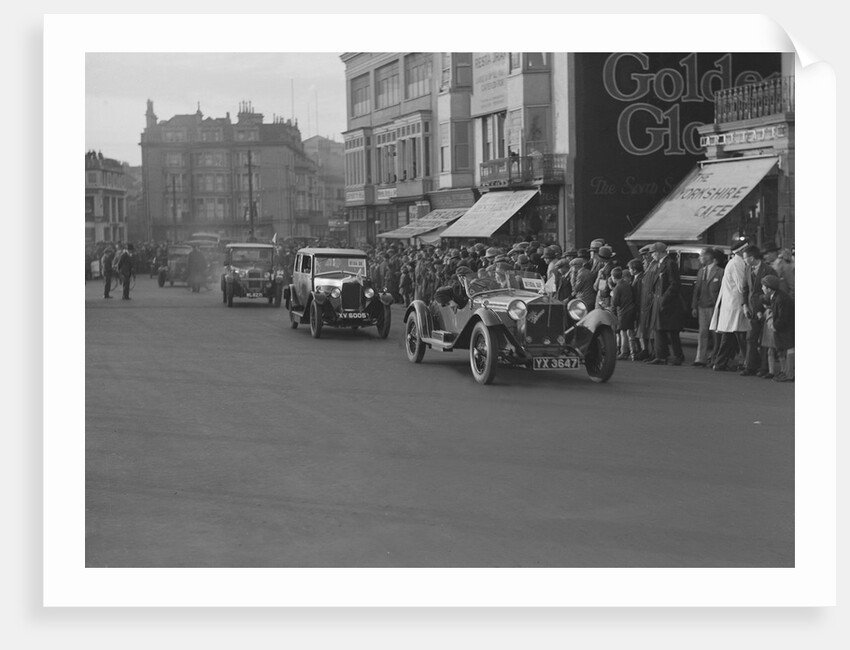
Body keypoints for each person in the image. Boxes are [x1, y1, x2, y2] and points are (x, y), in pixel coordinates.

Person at [710, 241, 751, 371]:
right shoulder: (738, 264)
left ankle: (721, 362)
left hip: (732, 304)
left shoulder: (734, 262)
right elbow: (741, 285)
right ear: (741, 251)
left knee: (731, 336)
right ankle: (747, 362)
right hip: (736, 303)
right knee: (740, 335)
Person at [740, 244, 778, 377]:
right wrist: (744, 305)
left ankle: (764, 367)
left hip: (765, 308)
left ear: (751, 257)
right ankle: (750, 366)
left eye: (745, 257)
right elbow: (745, 288)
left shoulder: (768, 270)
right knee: (750, 338)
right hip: (751, 308)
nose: (744, 260)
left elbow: (772, 290)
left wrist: (765, 308)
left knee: (764, 340)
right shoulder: (747, 269)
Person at [647, 242, 685, 365]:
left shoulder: (670, 263)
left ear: (659, 252)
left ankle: (678, 356)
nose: (652, 255)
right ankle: (661, 355)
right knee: (659, 329)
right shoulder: (661, 264)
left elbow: (675, 284)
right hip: (660, 301)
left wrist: (664, 298)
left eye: (653, 253)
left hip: (669, 303)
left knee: (672, 331)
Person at [690, 247, 724, 367]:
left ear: (709, 256)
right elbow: (696, 290)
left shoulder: (720, 272)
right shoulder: (701, 271)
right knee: (702, 332)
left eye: (702, 256)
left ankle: (715, 357)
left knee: (716, 334)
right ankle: (700, 358)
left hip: (714, 307)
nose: (700, 258)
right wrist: (694, 306)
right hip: (702, 306)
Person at [761, 274, 795, 382]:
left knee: (789, 348)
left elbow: (783, 318)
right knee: (783, 349)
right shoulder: (776, 296)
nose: (762, 288)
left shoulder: (781, 299)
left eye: (763, 286)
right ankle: (785, 371)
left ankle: (789, 374)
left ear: (769, 289)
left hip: (787, 327)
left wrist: (774, 326)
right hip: (784, 327)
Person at [636, 244, 658, 361]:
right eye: (643, 256)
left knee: (651, 329)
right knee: (644, 328)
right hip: (644, 302)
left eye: (646, 255)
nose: (644, 258)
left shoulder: (654, 266)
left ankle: (652, 352)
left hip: (650, 301)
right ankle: (647, 351)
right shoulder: (647, 266)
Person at [610, 267, 637, 360]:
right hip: (631, 310)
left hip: (623, 312)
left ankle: (623, 352)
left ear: (613, 277)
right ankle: (633, 352)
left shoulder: (617, 287)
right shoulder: (627, 284)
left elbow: (615, 303)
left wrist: (612, 296)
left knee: (623, 332)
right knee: (630, 332)